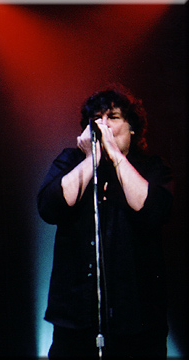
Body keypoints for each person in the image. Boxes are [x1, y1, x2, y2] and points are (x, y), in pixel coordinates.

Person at [37, 84, 173, 359]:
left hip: (138, 320)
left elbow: (151, 211)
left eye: (112, 117)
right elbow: (49, 208)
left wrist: (116, 156)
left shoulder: (153, 168)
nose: (103, 125)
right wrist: (91, 160)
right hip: (75, 317)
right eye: (97, 119)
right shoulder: (71, 161)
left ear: (132, 127)